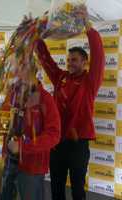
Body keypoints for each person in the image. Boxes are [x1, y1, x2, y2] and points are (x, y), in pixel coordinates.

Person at [34, 11, 105, 200]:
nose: (70, 63)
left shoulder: (90, 81)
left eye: (74, 60)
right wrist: (36, 38)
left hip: (78, 144)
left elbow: (99, 55)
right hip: (57, 141)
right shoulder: (60, 78)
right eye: (68, 60)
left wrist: (87, 26)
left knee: (77, 189)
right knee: (56, 187)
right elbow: (46, 60)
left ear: (84, 62)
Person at [0, 66, 61, 200]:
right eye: (16, 72)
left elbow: (54, 135)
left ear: (33, 72)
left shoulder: (45, 99)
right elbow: (3, 119)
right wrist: (0, 126)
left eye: (21, 71)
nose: (17, 77)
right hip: (10, 160)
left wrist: (22, 146)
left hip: (32, 166)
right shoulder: (12, 94)